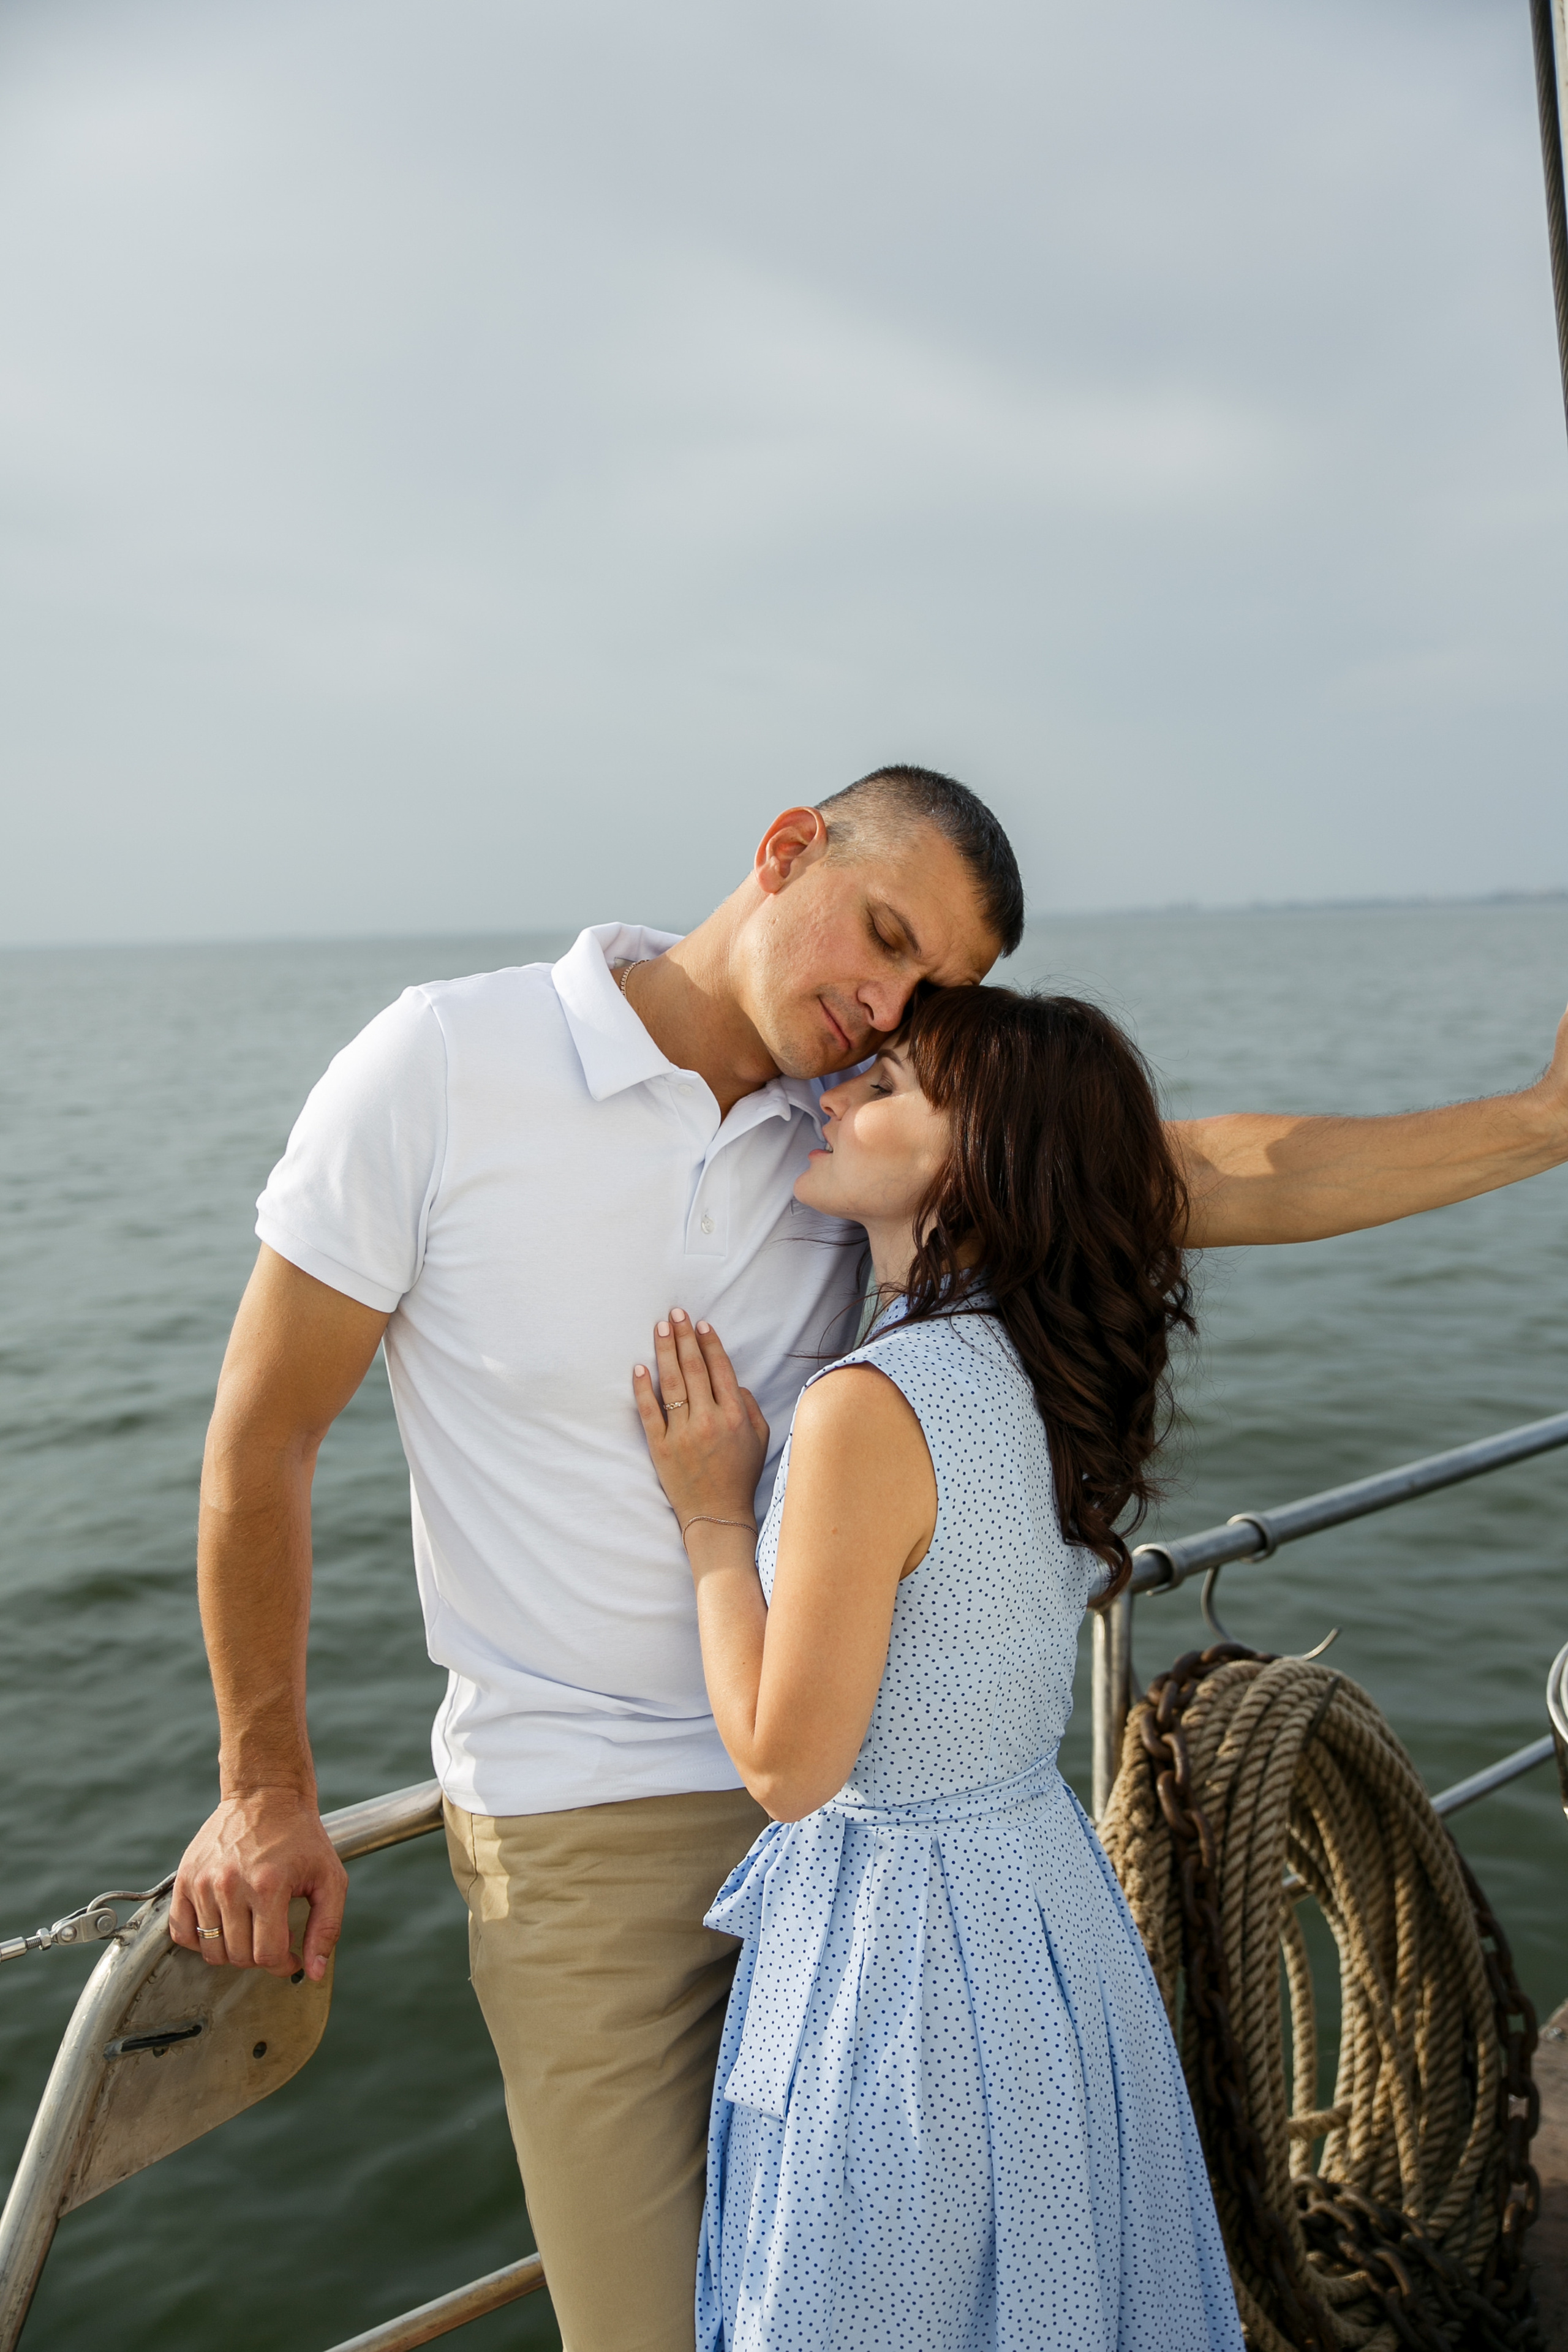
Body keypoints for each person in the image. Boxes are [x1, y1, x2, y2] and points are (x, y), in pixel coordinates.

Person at [170, 766, 1567, 2352]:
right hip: (587, 1840)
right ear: (784, 852)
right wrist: (268, 1783)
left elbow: (1207, 1174)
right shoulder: (441, 1063)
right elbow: (262, 1436)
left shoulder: (855, 1133)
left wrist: (1538, 1123)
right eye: (884, 935)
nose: (881, 1004)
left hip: (863, 1839)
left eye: (928, 992)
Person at [631, 985, 1240, 2350]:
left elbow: (790, 1767)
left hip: (904, 1961)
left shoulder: (871, 1403)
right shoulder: (1035, 1366)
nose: (830, 1097)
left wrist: (714, 1517)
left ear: (981, 1156)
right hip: (1040, 1915)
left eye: (886, 1085)